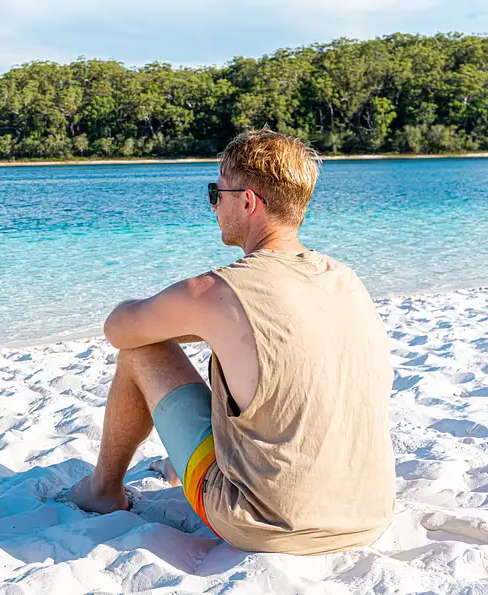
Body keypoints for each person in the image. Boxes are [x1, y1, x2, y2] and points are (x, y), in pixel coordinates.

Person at [68, 129, 396, 555]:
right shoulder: (345, 278)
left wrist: (186, 318)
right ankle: (188, 460)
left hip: (269, 523)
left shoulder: (221, 292)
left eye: (215, 192)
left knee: (143, 349)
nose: (213, 205)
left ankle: (103, 490)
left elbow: (119, 329)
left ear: (248, 201)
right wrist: (205, 327)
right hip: (370, 514)